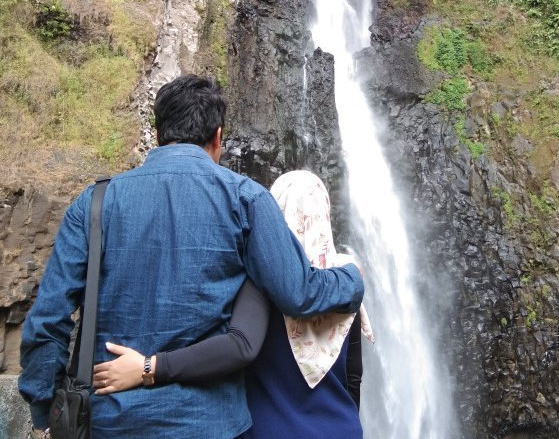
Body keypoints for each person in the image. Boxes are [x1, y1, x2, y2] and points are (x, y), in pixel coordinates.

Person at [18, 76, 364, 439]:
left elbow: (49, 320)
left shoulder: (93, 204)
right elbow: (298, 291)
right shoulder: (246, 199)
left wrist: (45, 412)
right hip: (210, 425)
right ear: (217, 137)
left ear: (158, 134)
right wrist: (352, 279)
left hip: (110, 421)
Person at [90, 170, 374, 439]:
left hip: (269, 429)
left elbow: (237, 347)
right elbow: (353, 380)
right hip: (341, 428)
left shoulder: (258, 283)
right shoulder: (346, 285)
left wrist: (149, 367)